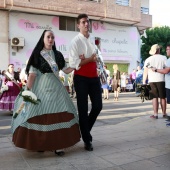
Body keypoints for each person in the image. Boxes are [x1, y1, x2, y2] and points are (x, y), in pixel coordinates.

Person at [11, 30, 81, 155]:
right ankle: (40, 144)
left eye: (52, 37)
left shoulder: (57, 54)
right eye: (48, 37)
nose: (50, 39)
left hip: (57, 90)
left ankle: (59, 146)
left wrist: (76, 64)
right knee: (40, 115)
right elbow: (32, 75)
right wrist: (27, 91)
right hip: (41, 90)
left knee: (59, 113)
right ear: (43, 39)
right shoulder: (37, 54)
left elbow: (66, 70)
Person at [68, 13, 102, 151]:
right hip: (81, 78)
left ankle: (84, 130)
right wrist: (89, 59)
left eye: (88, 22)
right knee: (82, 109)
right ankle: (87, 140)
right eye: (83, 22)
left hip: (94, 77)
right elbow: (74, 63)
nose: (86, 24)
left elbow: (95, 57)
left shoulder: (93, 38)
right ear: (78, 25)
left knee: (98, 106)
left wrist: (90, 59)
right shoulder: (75, 42)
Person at [143, 44, 167, 119]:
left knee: (154, 97)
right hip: (161, 80)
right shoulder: (164, 58)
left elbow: (145, 72)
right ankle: (164, 113)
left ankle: (155, 114)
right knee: (162, 97)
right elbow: (166, 69)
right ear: (158, 50)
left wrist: (144, 82)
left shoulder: (148, 59)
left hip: (152, 80)